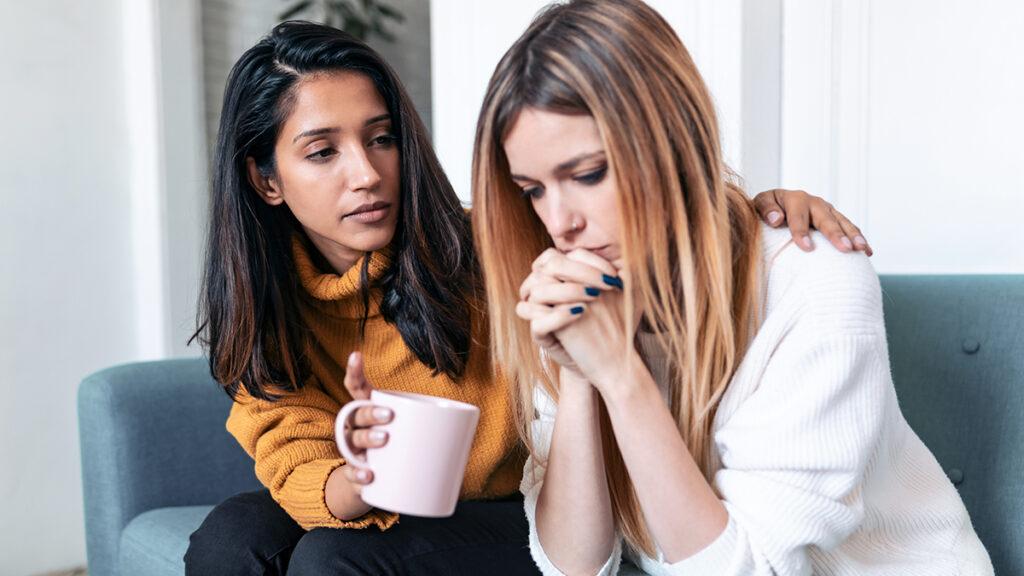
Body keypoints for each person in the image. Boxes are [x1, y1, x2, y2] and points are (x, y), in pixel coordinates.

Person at [184, 19, 869, 576]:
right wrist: (362, 475)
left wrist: (754, 212)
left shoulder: (498, 251)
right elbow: (296, 464)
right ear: (266, 179)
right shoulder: (267, 313)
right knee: (233, 538)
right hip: (399, 504)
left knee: (337, 558)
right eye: (322, 151)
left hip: (519, 506)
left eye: (382, 137)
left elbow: (652, 224)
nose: (366, 173)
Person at [472, 1, 994, 575]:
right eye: (533, 190)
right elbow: (573, 566)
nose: (559, 221)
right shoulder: (584, 291)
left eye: (590, 173)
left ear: (673, 142)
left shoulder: (815, 279)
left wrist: (621, 375)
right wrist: (580, 372)